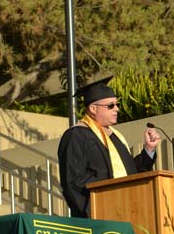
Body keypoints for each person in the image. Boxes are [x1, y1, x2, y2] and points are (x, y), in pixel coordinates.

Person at [58, 77, 160, 218]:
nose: (117, 109)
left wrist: (148, 150)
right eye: (110, 106)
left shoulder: (114, 136)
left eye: (117, 104)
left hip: (127, 213)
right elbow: (74, 182)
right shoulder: (76, 136)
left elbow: (129, 174)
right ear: (93, 109)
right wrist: (97, 211)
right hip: (99, 218)